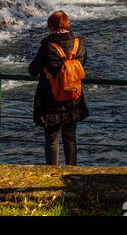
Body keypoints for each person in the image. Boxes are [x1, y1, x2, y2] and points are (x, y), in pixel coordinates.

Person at [28, 11, 88, 165]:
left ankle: (51, 170)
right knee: (70, 137)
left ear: (51, 26)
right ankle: (72, 169)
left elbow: (33, 70)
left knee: (51, 139)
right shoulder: (78, 43)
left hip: (51, 98)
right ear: (67, 24)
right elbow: (81, 65)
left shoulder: (48, 45)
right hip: (73, 96)